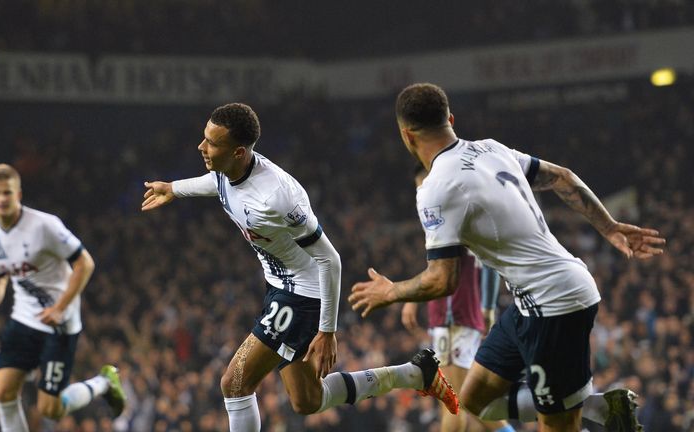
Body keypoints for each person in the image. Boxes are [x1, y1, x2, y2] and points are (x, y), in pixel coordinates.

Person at [349, 83, 665, 432]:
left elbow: (443, 279)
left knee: (558, 426)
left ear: (406, 135)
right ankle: (598, 406)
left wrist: (391, 292)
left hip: (556, 303)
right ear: (450, 119)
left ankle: (581, 409)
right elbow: (563, 177)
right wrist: (608, 226)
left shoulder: (435, 188)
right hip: (530, 303)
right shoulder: (490, 149)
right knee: (474, 400)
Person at [141, 102, 459, 432]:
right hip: (279, 285)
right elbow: (219, 185)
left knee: (234, 383)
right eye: (204, 138)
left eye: (212, 142)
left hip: (301, 295)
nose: (201, 147)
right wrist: (174, 189)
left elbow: (329, 259)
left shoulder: (277, 197)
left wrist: (327, 331)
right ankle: (415, 373)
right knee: (307, 400)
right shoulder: (228, 170)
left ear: (238, 152)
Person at [0, 164, 127, 432]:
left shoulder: (44, 226)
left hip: (59, 323)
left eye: (7, 193)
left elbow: (84, 264)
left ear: (18, 194)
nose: (1, 199)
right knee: (3, 392)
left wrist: (60, 307)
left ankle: (104, 383)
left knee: (49, 410)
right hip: (23, 319)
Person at [402, 165, 513, 432]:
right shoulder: (466, 214)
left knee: (452, 401)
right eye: (419, 187)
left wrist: (410, 297)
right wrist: (487, 307)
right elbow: (484, 262)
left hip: (453, 315)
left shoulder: (446, 217)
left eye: (424, 185)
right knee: (465, 401)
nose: (422, 192)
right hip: (461, 316)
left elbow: (453, 269)